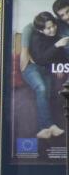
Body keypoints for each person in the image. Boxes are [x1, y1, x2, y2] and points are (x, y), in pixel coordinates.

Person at [23, 11, 68, 139]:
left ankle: (44, 129)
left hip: (46, 69)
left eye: (53, 25)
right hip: (31, 67)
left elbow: (59, 55)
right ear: (40, 30)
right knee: (41, 88)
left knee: (47, 94)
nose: (52, 29)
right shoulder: (36, 38)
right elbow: (40, 59)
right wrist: (57, 45)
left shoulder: (56, 35)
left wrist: (59, 64)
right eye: (48, 28)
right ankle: (49, 125)